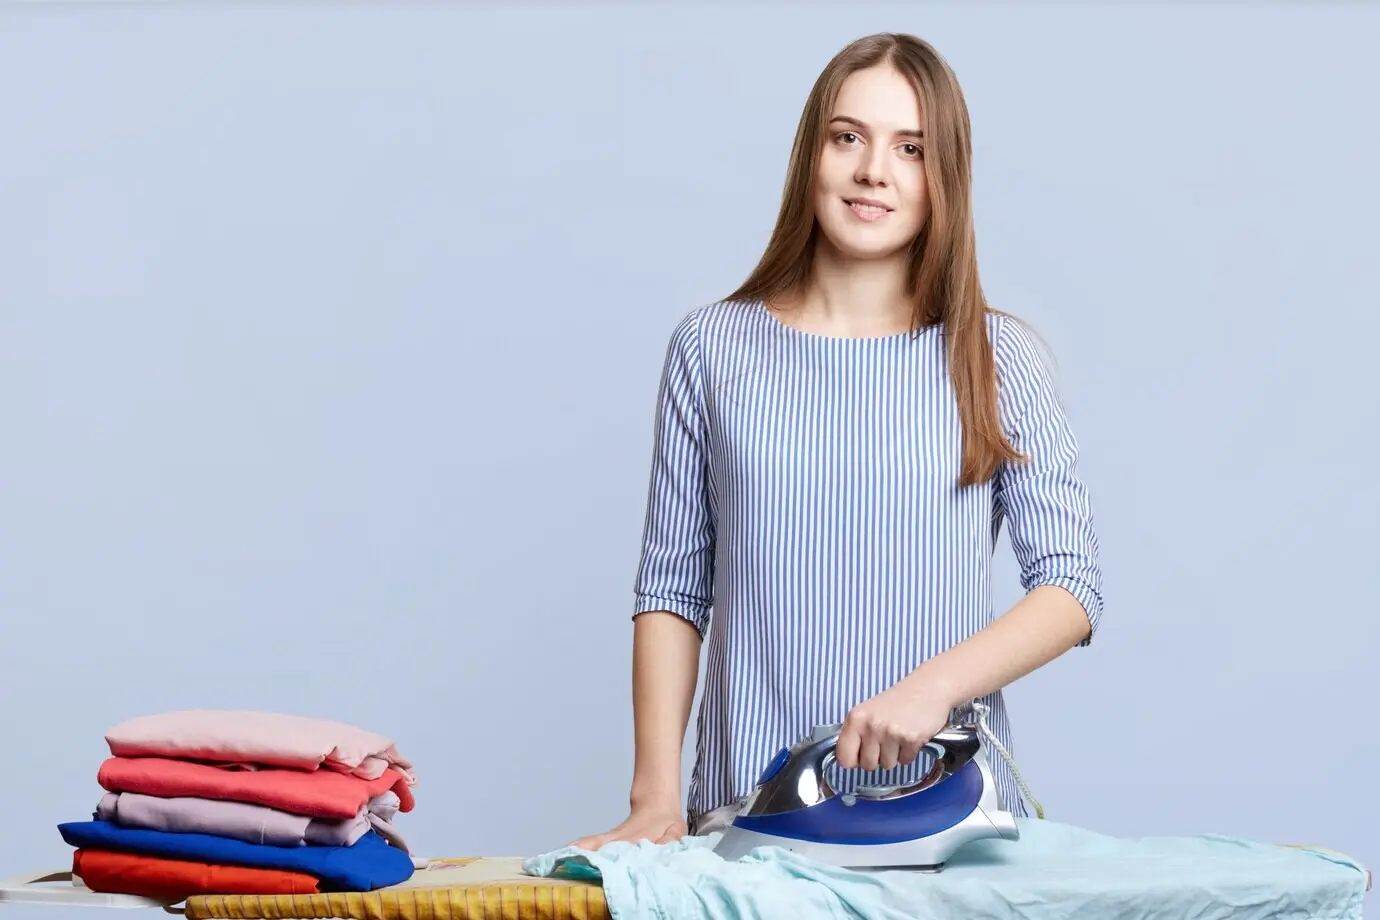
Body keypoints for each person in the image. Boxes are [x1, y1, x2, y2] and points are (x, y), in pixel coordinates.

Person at [572, 31, 1103, 849]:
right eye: (848, 137)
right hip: (750, 821)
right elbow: (673, 592)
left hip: (945, 827)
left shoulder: (998, 359)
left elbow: (1070, 589)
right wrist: (655, 797)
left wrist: (931, 691)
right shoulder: (712, 349)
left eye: (910, 148)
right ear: (811, 154)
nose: (873, 172)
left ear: (943, 177)